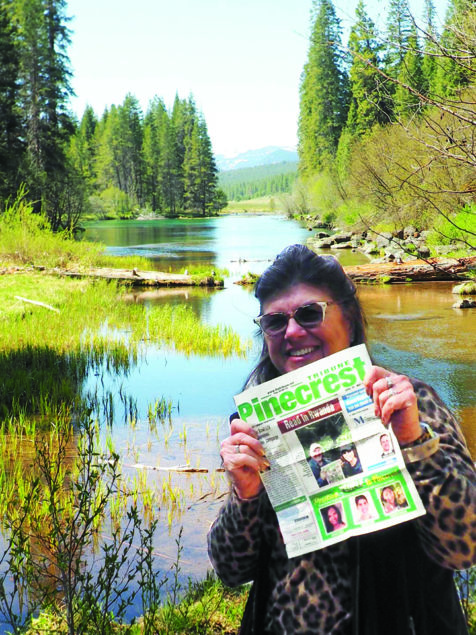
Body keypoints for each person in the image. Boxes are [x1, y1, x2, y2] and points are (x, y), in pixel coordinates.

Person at [207, 245, 475, 634]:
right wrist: (244, 496)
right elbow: (231, 569)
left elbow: (464, 546)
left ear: (349, 320)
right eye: (275, 322)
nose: (293, 331)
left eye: (310, 313)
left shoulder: (412, 403)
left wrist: (414, 442)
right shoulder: (257, 425)